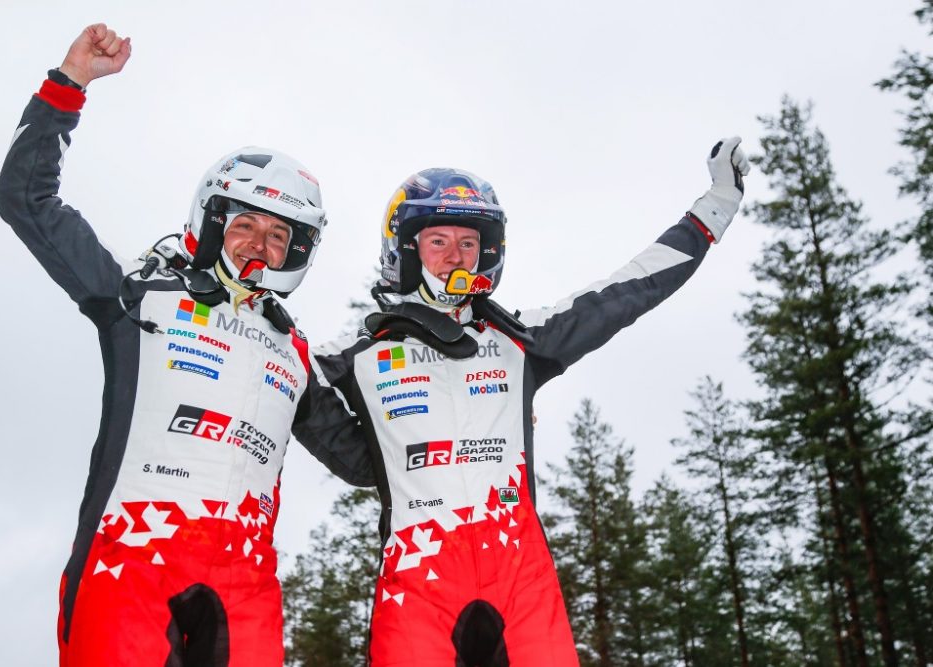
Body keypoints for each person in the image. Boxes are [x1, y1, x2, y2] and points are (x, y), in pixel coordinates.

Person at [0, 24, 372, 667]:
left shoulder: (293, 352)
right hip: (132, 564)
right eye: (244, 223)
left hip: (245, 586)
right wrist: (71, 83)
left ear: (296, 252)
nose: (258, 243)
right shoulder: (137, 297)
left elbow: (365, 462)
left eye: (278, 235)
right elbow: (26, 201)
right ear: (211, 223)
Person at [303, 144, 750, 665]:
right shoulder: (356, 358)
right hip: (419, 576)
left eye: (469, 243)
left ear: (487, 253)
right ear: (405, 250)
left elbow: (625, 291)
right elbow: (280, 381)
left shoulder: (519, 340)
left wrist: (713, 210)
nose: (455, 255)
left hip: (519, 575)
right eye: (438, 241)